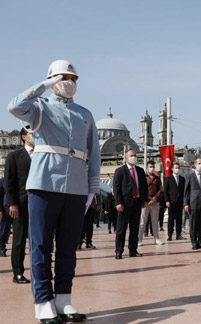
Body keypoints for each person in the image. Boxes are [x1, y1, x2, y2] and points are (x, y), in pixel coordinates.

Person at [8, 59, 100, 323]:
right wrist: (44, 86)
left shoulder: (85, 114)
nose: (68, 82)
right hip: (44, 184)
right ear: (51, 79)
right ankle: (42, 302)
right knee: (40, 245)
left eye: (72, 78)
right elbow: (14, 106)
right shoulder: (39, 107)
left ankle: (63, 299)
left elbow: (93, 155)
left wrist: (91, 190)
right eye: (62, 77)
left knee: (68, 247)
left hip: (76, 187)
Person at [4, 128, 33, 283]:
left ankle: (41, 270)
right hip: (21, 204)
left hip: (41, 205)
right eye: (32, 134)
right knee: (19, 240)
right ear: (24, 137)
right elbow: (9, 183)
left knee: (41, 239)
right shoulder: (14, 156)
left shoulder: (43, 155)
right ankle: (18, 272)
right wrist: (12, 203)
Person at [114, 150, 149, 259]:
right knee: (121, 229)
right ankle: (119, 251)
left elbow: (144, 187)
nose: (133, 157)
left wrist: (145, 200)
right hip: (124, 204)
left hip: (137, 202)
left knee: (134, 228)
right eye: (131, 156)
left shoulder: (140, 171)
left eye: (135, 155)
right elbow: (116, 188)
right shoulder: (120, 171)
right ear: (126, 158)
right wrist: (118, 202)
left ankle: (133, 250)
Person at [138, 161, 163, 246]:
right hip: (145, 202)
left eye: (153, 167)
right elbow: (141, 190)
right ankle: (139, 239)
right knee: (142, 222)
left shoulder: (157, 178)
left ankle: (157, 238)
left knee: (155, 221)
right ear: (147, 168)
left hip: (155, 202)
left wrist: (155, 198)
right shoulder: (143, 178)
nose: (151, 168)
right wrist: (148, 199)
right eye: (150, 167)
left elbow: (160, 189)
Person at [164, 162, 186, 241]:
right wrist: (167, 200)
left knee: (179, 219)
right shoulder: (168, 179)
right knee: (171, 219)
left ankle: (179, 234)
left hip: (179, 202)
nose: (177, 169)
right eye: (176, 168)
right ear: (172, 169)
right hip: (171, 201)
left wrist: (184, 201)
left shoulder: (182, 179)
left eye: (178, 168)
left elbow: (184, 191)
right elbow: (165, 191)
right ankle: (169, 235)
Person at [0, 178, 9, 258]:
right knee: (3, 231)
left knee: (19, 233)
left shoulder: (19, 179)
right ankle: (1, 249)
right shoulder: (2, 180)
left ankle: (19, 251)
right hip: (5, 209)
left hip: (19, 209)